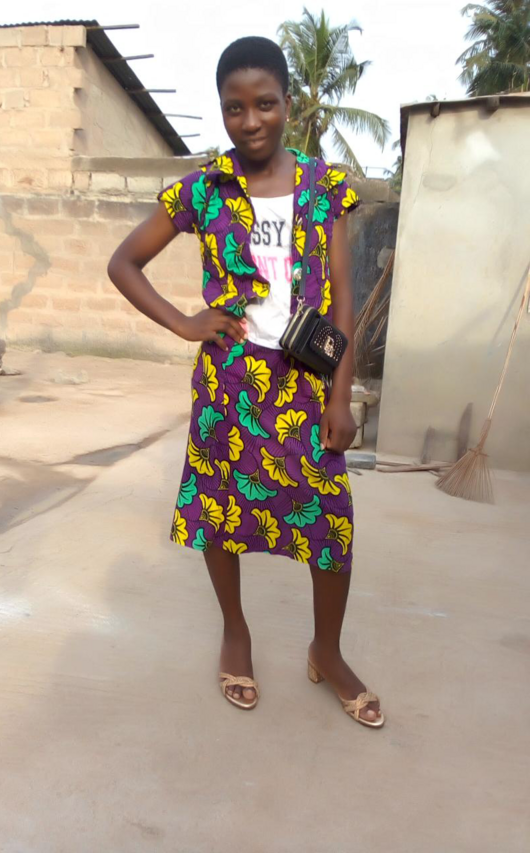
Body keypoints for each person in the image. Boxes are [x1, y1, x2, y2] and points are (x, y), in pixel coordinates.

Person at [108, 36, 384, 728]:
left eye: (265, 104)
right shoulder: (203, 189)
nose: (251, 120)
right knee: (220, 511)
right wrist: (184, 323)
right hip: (229, 384)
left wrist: (340, 394)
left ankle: (327, 649)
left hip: (305, 384)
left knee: (330, 520)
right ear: (223, 110)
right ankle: (236, 631)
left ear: (287, 102)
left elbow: (342, 301)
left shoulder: (324, 187)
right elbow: (124, 263)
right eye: (235, 108)